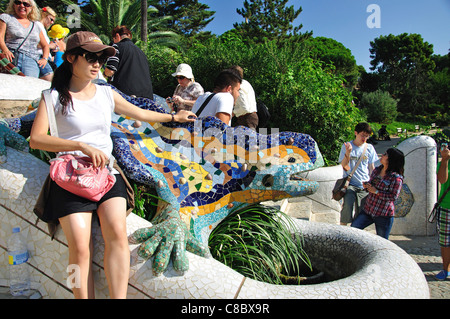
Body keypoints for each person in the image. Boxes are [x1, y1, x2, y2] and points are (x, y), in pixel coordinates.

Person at [29, 31, 196, 299]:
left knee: (117, 234)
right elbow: (36, 139)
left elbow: (140, 113)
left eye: (101, 57)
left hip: (107, 173)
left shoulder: (106, 93)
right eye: (90, 57)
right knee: (79, 248)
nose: (98, 63)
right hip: (71, 176)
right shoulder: (52, 97)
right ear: (71, 58)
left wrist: (174, 116)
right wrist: (80, 146)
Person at [351, 148, 405, 239]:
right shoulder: (377, 170)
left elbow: (393, 196)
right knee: (353, 229)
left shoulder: (396, 178)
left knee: (382, 241)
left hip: (383, 214)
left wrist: (376, 192)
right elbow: (372, 185)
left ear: (391, 159)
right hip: (368, 209)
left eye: (385, 154)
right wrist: (367, 186)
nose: (382, 155)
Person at [338, 122, 379, 225]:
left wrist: (373, 182)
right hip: (350, 183)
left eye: (367, 136)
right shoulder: (347, 146)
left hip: (364, 184)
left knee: (361, 211)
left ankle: (355, 230)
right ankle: (342, 230)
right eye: (362, 135)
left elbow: (371, 167)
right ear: (356, 133)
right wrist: (348, 153)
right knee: (347, 205)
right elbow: (343, 165)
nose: (364, 138)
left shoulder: (369, 148)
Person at [0, 0, 50, 78]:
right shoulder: (6, 18)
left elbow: (45, 45)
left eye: (26, 4)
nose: (22, 6)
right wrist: (5, 50)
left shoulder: (35, 25)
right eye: (18, 2)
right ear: (13, 5)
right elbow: (0, 36)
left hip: (31, 61)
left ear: (31, 8)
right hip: (11, 58)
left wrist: (45, 59)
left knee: (29, 87)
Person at [104, 25, 153, 100]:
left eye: (113, 39)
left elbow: (110, 70)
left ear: (117, 36)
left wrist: (103, 76)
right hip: (147, 97)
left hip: (126, 97)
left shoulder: (116, 47)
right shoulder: (141, 52)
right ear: (129, 36)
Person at [435, 143, 450, 280]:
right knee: (445, 241)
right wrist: (444, 160)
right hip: (446, 207)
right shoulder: (446, 162)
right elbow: (442, 179)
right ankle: (446, 269)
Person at [229, 65, 258, 130]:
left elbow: (244, 108)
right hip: (251, 117)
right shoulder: (246, 83)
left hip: (246, 118)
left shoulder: (238, 87)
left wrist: (233, 113)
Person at [36, 6, 56, 80]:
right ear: (44, 15)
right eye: (51, 19)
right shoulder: (37, 25)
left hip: (46, 58)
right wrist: (50, 46)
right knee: (50, 80)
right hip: (40, 57)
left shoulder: (42, 28)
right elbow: (35, 43)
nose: (52, 22)